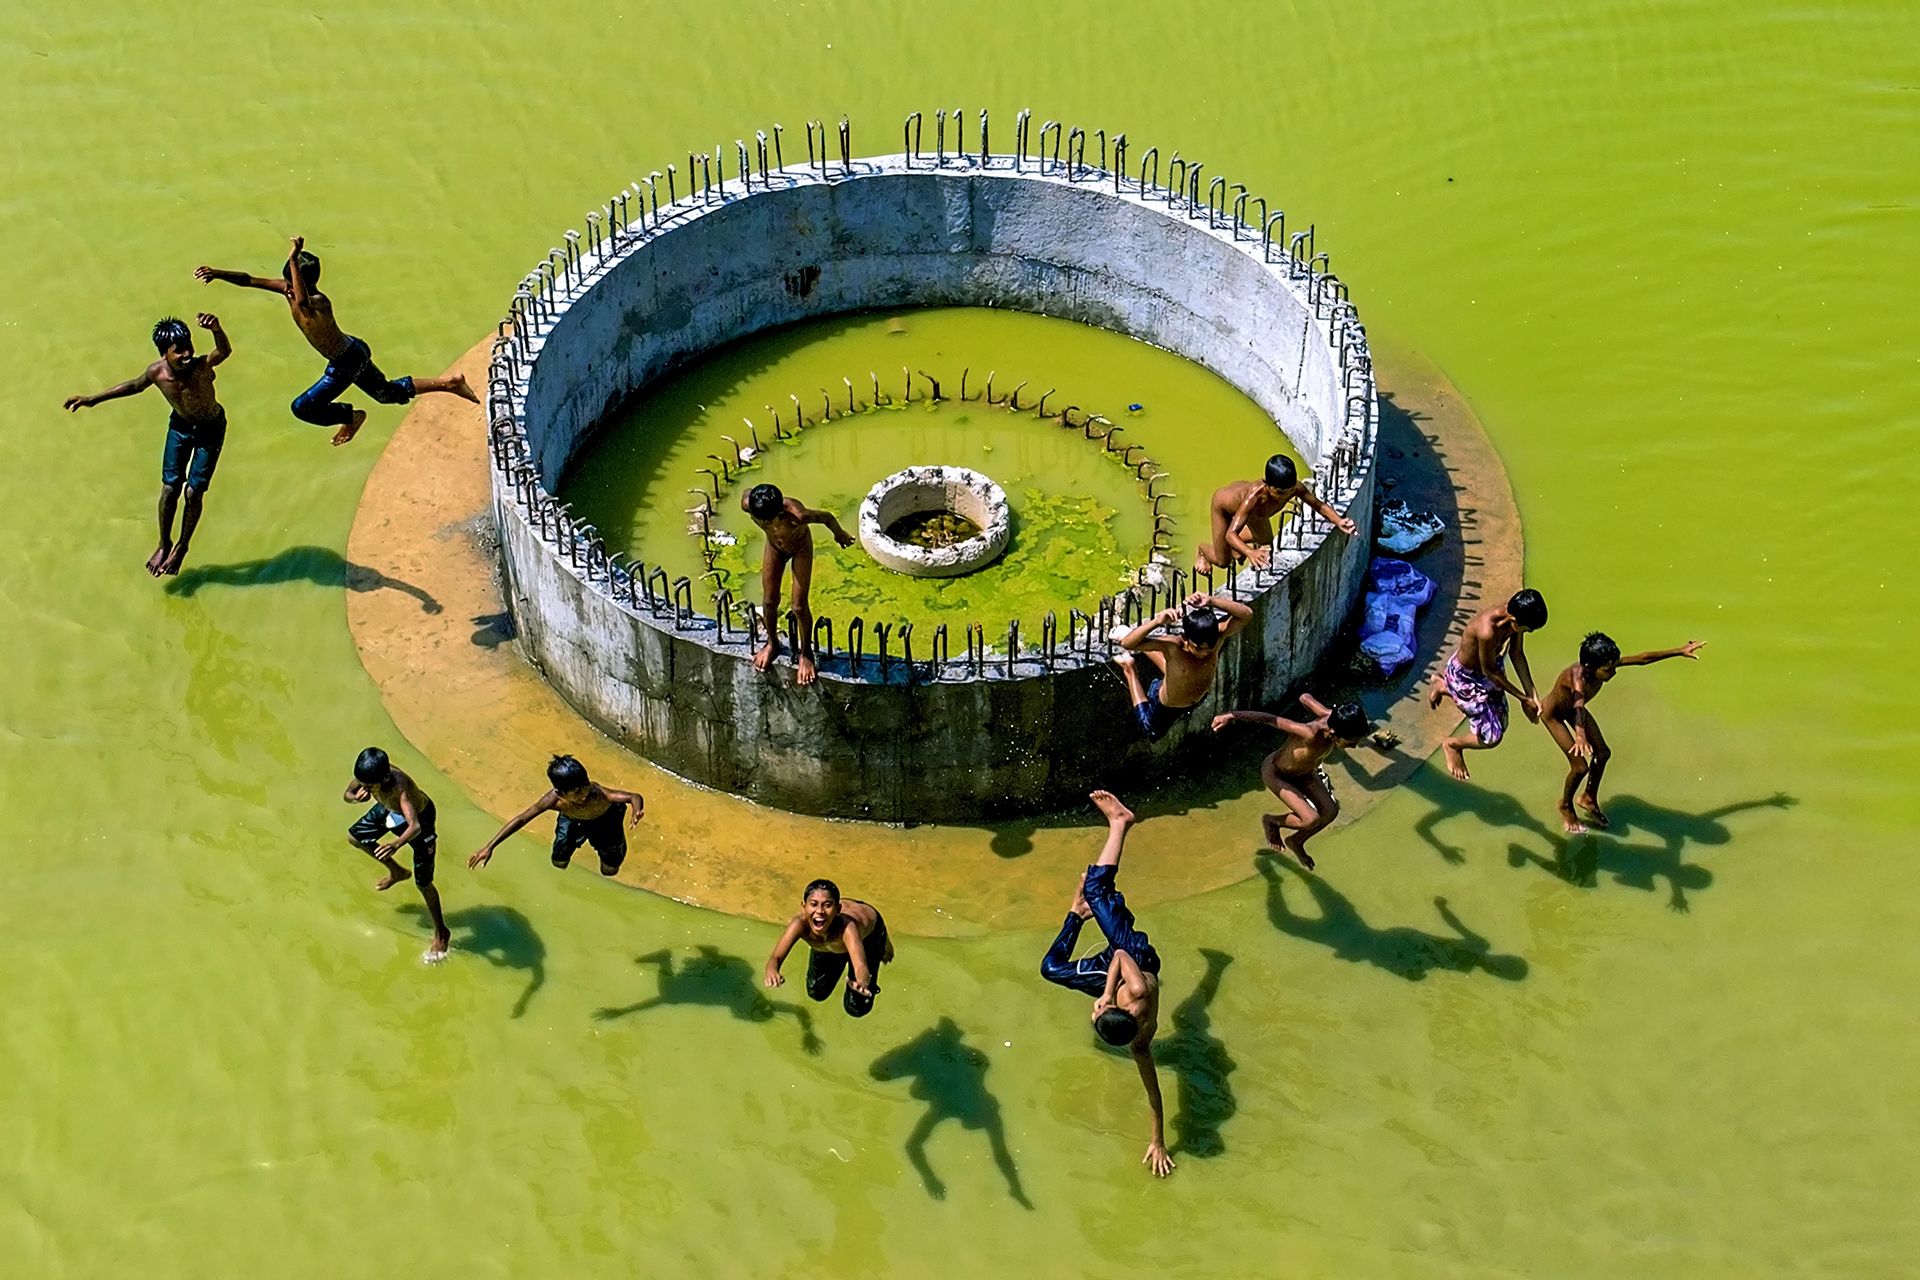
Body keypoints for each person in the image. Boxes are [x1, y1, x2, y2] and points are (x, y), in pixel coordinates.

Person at [195, 236, 477, 446]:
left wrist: (293, 256)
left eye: (292, 281)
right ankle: (450, 384)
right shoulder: (289, 290)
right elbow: (249, 280)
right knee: (387, 394)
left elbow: (303, 299)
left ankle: (350, 417)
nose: (288, 288)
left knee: (302, 407)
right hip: (351, 352)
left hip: (346, 361)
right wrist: (218, 273)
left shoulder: (318, 302)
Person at [1039, 791, 1174, 1178]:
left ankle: (1075, 914)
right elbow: (1118, 958)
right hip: (1132, 955)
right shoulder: (1137, 993)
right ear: (1115, 1008)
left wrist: (1158, 1141)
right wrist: (1103, 994)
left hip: (1111, 976)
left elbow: (1154, 1095)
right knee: (1098, 889)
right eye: (1100, 1013)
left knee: (1051, 968)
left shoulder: (1141, 1043)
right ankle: (1120, 822)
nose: (1095, 1011)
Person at [64, 314, 233, 576]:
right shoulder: (157, 373)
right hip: (180, 427)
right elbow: (133, 386)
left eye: (189, 346)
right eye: (179, 351)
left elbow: (224, 351)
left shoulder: (201, 366)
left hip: (210, 429)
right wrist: (92, 399)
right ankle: (164, 543)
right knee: (169, 488)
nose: (187, 353)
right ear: (164, 354)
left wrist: (216, 329)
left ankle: (182, 546)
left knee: (193, 493)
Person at [1541, 633, 1705, 832]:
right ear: (1589, 667)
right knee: (1580, 767)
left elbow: (1643, 659)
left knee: (1602, 753)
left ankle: (1588, 798)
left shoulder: (1601, 663)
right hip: (1555, 715)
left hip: (1576, 714)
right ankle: (1565, 805)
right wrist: (1580, 736)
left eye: (1613, 667)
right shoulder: (1577, 679)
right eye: (1608, 670)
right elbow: (1578, 706)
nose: (1613, 673)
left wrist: (1679, 651)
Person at [1212, 695, 1375, 870]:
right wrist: (1231, 715)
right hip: (1278, 774)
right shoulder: (1309, 733)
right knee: (1310, 819)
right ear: (1334, 733)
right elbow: (1269, 719)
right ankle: (1272, 821)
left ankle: (1296, 841)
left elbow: (1304, 698)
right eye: (1350, 743)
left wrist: (1317, 707)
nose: (1354, 747)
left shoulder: (1331, 717)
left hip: (1305, 773)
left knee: (1331, 811)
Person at [1427, 588, 1549, 781]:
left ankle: (1444, 687)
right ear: (1515, 621)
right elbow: (1490, 672)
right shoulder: (1487, 631)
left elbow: (1516, 654)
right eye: (1529, 629)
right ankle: (1452, 745)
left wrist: (1531, 695)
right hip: (1467, 676)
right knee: (1492, 736)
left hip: (1488, 670)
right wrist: (1522, 699)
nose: (1530, 632)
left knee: (1501, 722)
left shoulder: (1514, 617)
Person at [739, 483, 855, 685]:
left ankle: (806, 653)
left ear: (780, 512)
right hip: (775, 547)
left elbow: (826, 517)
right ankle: (772, 643)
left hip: (800, 547)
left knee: (799, 606)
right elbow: (746, 491)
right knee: (768, 600)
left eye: (767, 520)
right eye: (757, 519)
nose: (760, 522)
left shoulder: (797, 515)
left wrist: (840, 534)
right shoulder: (750, 504)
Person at [342, 747, 450, 961]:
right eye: (362, 783)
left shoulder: (400, 788)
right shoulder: (366, 775)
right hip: (390, 810)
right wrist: (355, 798)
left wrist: (395, 844)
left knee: (424, 883)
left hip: (420, 821)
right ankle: (397, 871)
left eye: (368, 786)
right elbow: (347, 795)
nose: (364, 788)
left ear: (383, 778)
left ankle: (442, 933)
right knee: (355, 838)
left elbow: (415, 826)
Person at [467, 754, 646, 876]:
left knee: (609, 871)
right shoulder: (553, 801)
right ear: (560, 793)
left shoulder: (598, 794)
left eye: (584, 787)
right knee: (559, 862)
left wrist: (636, 810)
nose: (583, 795)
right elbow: (522, 819)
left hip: (606, 820)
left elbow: (633, 796)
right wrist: (490, 846)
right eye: (576, 793)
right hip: (573, 820)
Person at [1114, 591, 1253, 739]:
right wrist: (1156, 622)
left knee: (1181, 669)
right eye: (1199, 648)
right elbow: (1128, 643)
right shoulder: (1174, 646)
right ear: (1186, 638)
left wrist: (1212, 601)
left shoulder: (1218, 637)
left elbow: (1247, 614)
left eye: (1209, 648)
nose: (1205, 653)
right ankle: (1129, 668)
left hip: (1191, 696)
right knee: (1150, 731)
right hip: (1166, 705)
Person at [1194, 453, 1357, 574]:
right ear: (1267, 485)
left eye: (1289, 491)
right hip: (1225, 505)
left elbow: (1318, 505)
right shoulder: (1255, 497)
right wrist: (1250, 552)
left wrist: (1338, 521)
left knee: (1266, 545)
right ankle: (1203, 551)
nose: (1285, 496)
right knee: (1224, 561)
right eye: (1279, 492)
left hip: (1256, 514)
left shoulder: (1296, 488)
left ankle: (1239, 547)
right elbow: (1230, 534)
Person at [763, 879, 893, 1018]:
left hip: (868, 936)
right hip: (832, 941)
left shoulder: (847, 928)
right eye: (813, 904)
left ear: (838, 909)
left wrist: (861, 982)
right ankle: (840, 952)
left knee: (857, 1008)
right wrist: (772, 970)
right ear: (804, 907)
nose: (819, 911)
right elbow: (775, 958)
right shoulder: (799, 925)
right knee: (816, 992)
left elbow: (861, 967)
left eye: (827, 905)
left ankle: (884, 942)